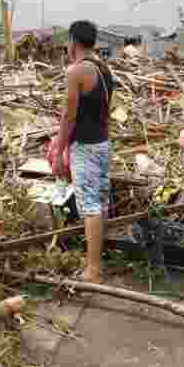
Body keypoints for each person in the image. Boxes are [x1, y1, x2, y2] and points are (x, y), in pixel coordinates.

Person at [49, 20, 115, 283]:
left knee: (89, 207)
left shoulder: (76, 71)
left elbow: (69, 115)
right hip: (102, 143)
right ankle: (99, 261)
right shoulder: (103, 69)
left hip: (86, 147)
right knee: (99, 202)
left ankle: (93, 269)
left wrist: (58, 148)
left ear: (73, 43)